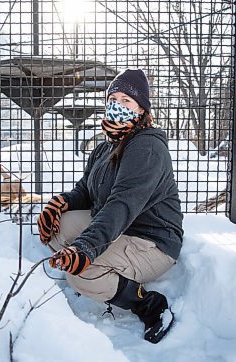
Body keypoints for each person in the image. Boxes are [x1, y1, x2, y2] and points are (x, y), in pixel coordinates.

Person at [37, 68, 184, 344]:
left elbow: (121, 206)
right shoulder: (106, 147)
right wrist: (60, 205)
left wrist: (85, 249)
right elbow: (87, 190)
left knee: (79, 274)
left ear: (141, 109)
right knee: (60, 228)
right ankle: (108, 273)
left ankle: (147, 304)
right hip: (120, 229)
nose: (117, 106)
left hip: (151, 241)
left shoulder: (147, 147)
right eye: (112, 99)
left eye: (126, 100)